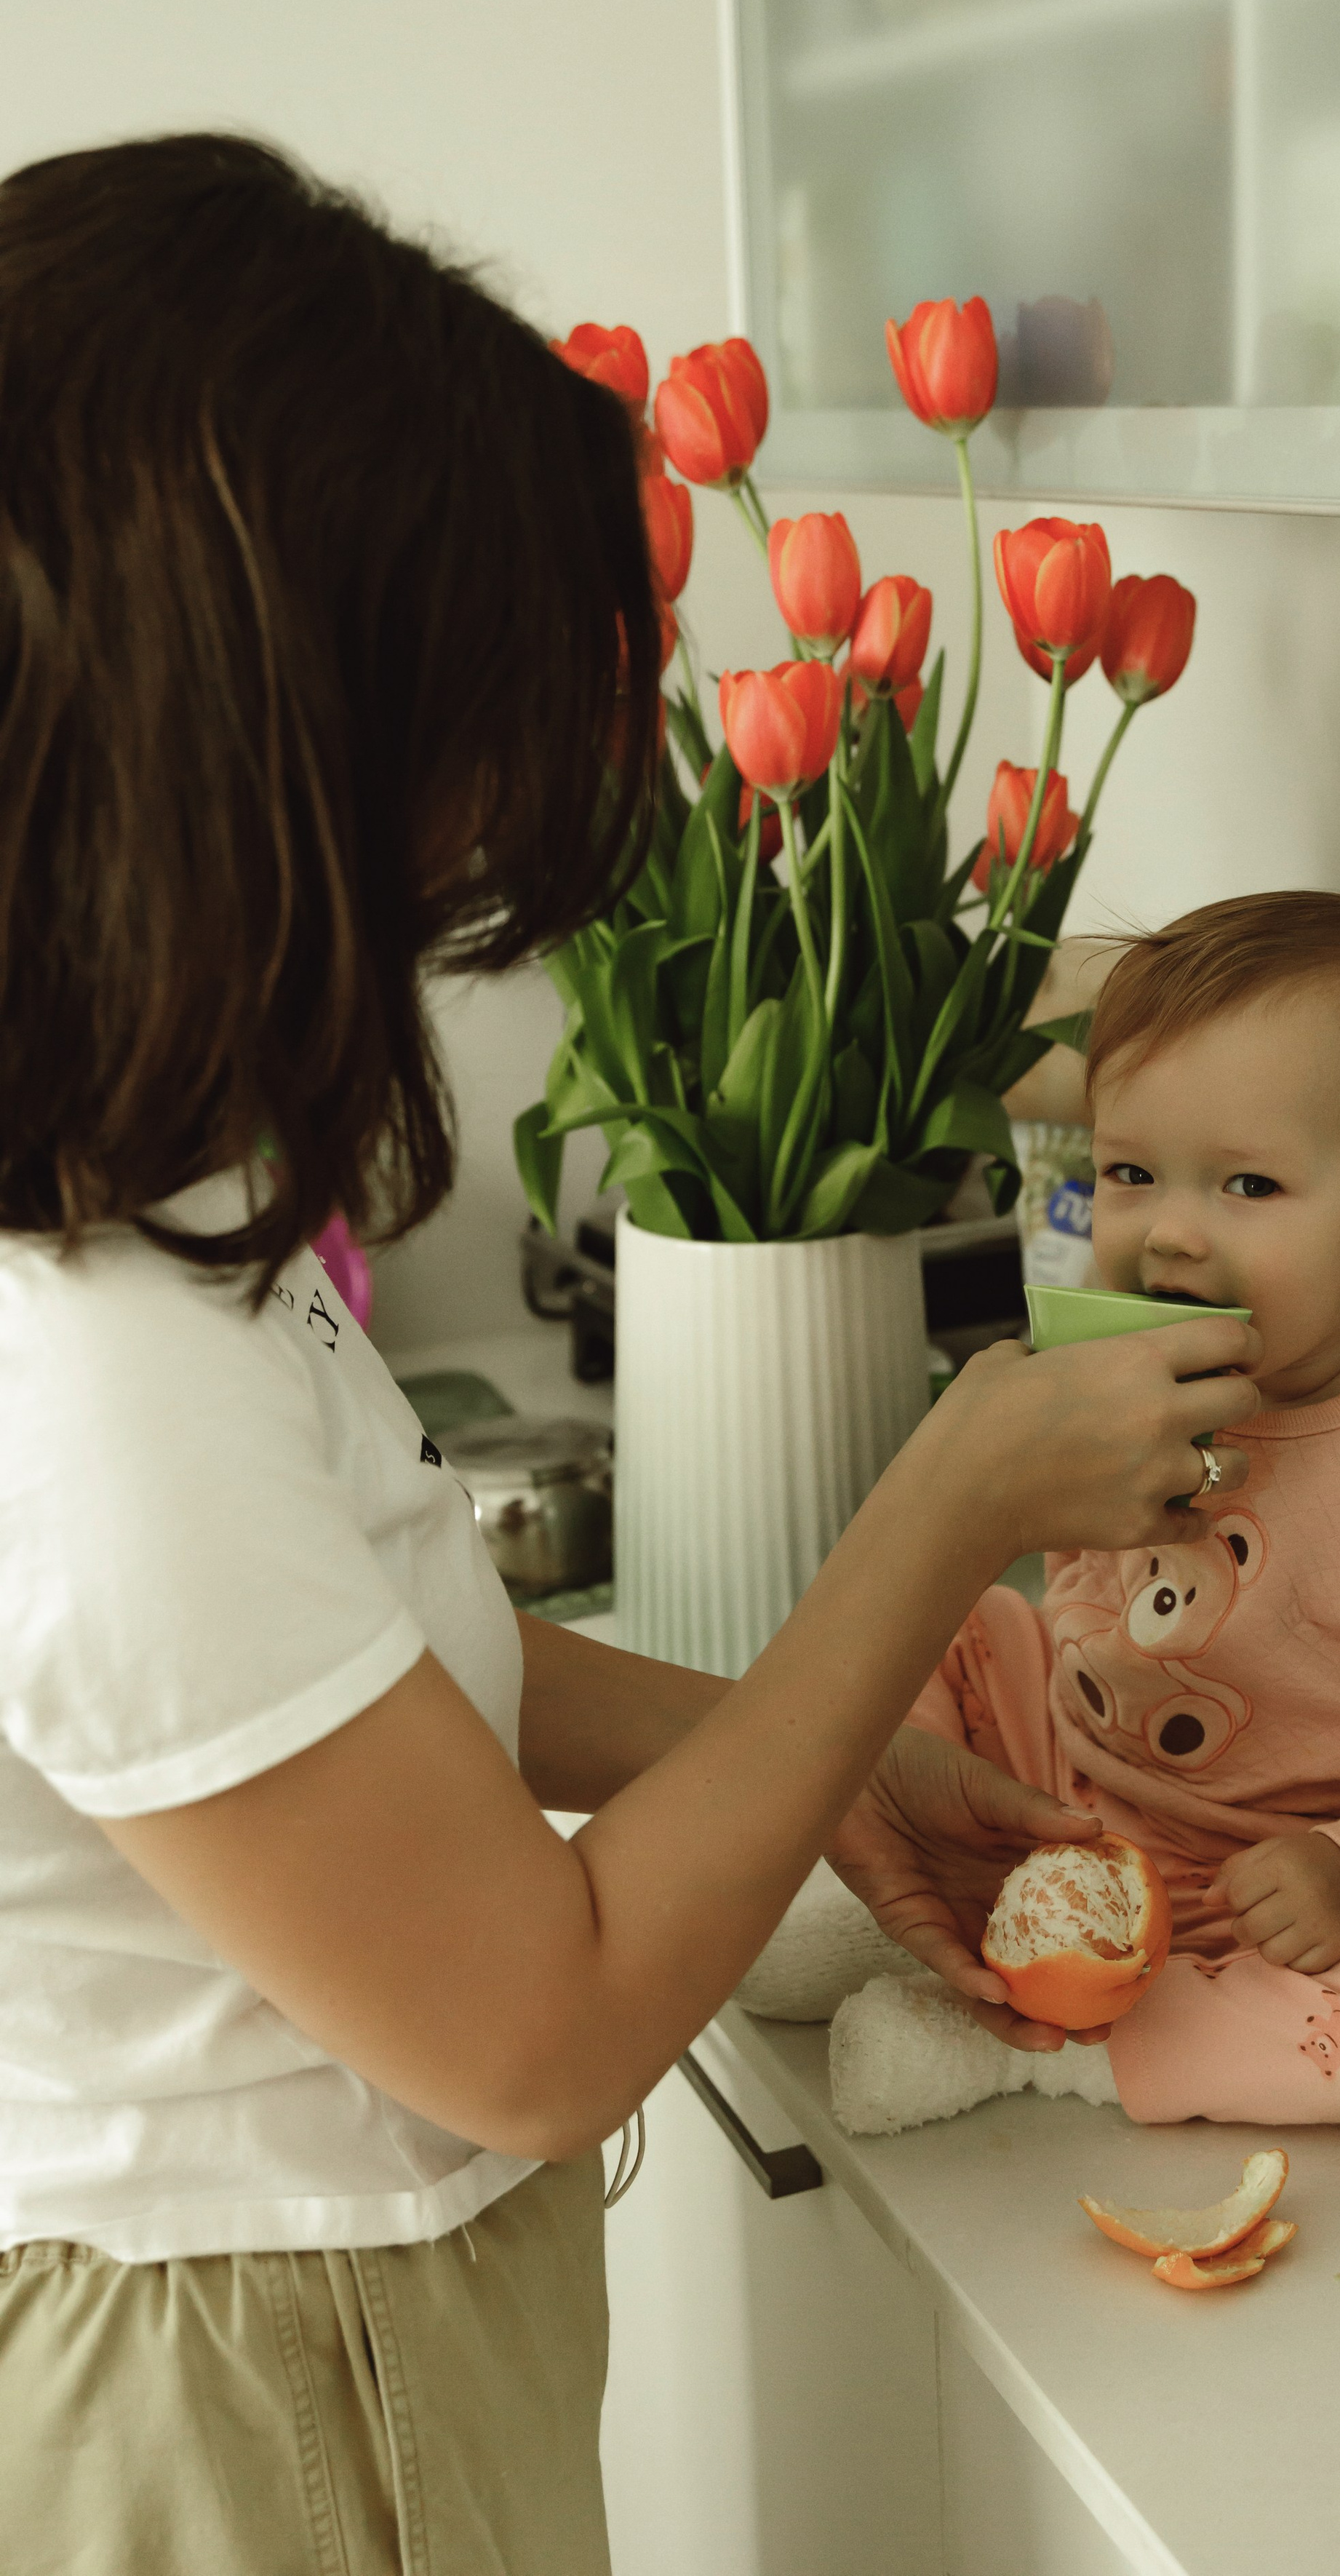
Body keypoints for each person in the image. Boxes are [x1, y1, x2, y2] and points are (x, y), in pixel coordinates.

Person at [0, 134, 1263, 2576]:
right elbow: (546, 2015)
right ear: (264, 730)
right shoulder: (101, 1411)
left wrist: (865, 1769)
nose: (494, 809)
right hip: (267, 2393)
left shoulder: (129, 1222)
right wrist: (953, 1496)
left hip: (315, 2323)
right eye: (461, 724)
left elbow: (363, 1686)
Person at [894, 894, 1340, 2129]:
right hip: (1064, 1787)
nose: (1169, 1234)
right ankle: (927, 1914)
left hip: (1265, 1885)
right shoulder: (1127, 1375)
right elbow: (1072, 1563)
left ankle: (1050, 2050)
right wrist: (1065, 1651)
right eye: (1130, 1171)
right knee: (940, 1623)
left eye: (1247, 1184)